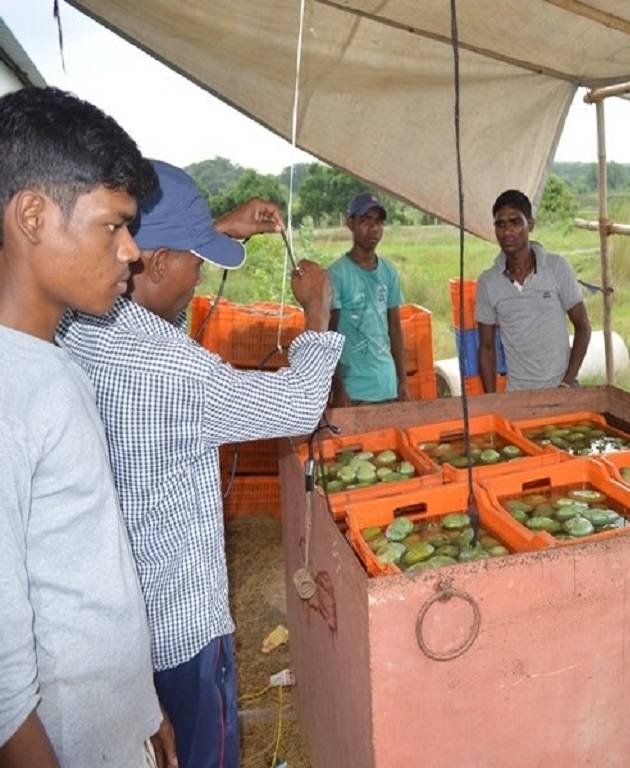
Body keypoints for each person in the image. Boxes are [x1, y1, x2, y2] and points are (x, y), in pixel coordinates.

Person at [58, 160, 343, 768]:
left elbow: (154, 284)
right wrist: (317, 310)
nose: (199, 277)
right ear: (155, 261)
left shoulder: (74, 323)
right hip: (182, 626)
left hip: (119, 630)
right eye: (195, 260)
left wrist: (212, 229)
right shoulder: (172, 370)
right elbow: (298, 405)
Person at [0, 87, 173, 768]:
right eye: (114, 225)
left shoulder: (49, 359)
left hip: (110, 731)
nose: (132, 252)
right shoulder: (8, 392)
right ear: (34, 216)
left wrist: (141, 710)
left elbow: (82, 579)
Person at [475, 189, 591, 392]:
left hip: (562, 390)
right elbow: (486, 348)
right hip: (518, 394)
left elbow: (583, 327)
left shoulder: (556, 267)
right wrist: (491, 400)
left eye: (515, 222)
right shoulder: (488, 282)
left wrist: (567, 382)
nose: (507, 232)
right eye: (500, 225)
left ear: (530, 224)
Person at [327, 192, 407, 406]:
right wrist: (338, 387)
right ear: (350, 223)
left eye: (378, 222)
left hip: (387, 383)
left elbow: (395, 328)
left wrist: (402, 381)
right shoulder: (337, 274)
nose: (373, 229)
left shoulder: (388, 272)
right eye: (365, 221)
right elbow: (329, 336)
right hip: (354, 390)